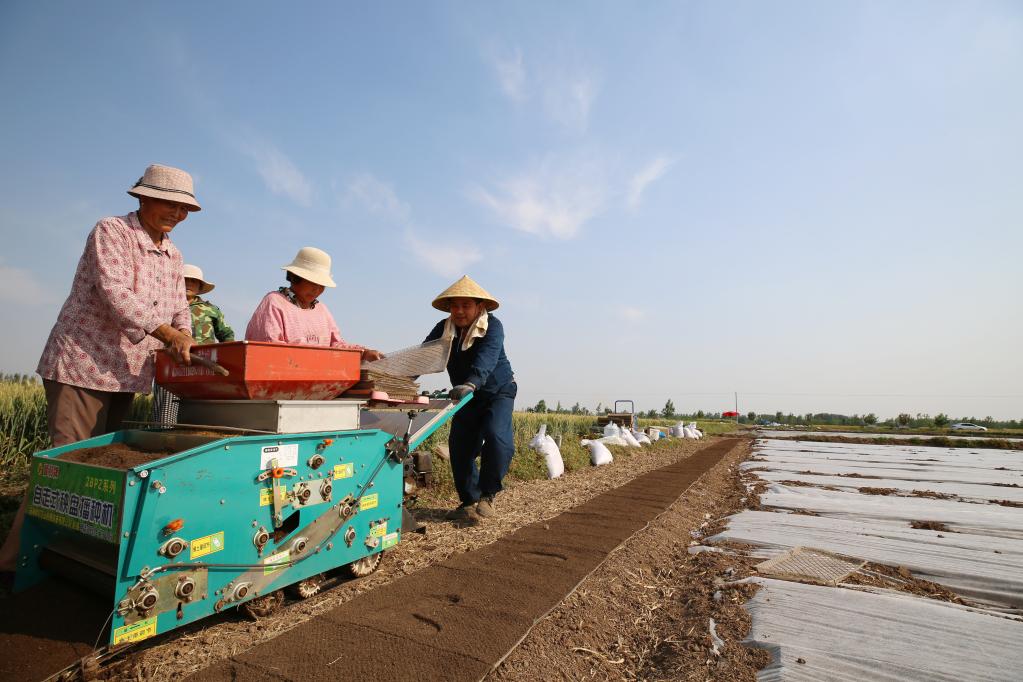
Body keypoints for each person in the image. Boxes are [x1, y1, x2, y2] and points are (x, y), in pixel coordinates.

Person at [0, 164, 199, 573]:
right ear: (142, 197)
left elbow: (180, 308)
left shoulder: (174, 254)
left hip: (126, 372)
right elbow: (115, 294)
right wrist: (168, 333)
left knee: (104, 465)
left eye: (184, 209)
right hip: (82, 364)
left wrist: (184, 333)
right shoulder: (113, 232)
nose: (177, 214)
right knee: (65, 464)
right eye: (170, 203)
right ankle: (14, 561)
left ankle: (75, 557)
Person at [424, 275, 516, 519]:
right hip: (464, 394)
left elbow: (487, 356)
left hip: (498, 390)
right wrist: (401, 377)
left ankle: (488, 495)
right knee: (460, 446)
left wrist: (473, 382)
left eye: (466, 306)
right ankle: (468, 500)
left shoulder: (492, 326)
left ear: (479, 307)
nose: (460, 311)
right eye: (455, 306)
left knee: (498, 438)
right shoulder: (444, 328)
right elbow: (426, 354)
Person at [245, 246, 383, 361]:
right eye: (312, 282)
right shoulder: (274, 302)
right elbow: (268, 349)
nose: (317, 289)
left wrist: (363, 353)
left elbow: (336, 344)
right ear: (295, 278)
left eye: (321, 285)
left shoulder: (322, 310)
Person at [152, 263, 234, 425]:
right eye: (185, 280)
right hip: (172, 367)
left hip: (204, 369)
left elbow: (226, 335)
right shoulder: (163, 307)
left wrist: (229, 362)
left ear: (199, 286)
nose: (189, 283)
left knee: (201, 415)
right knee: (165, 418)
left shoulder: (211, 310)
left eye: (194, 281)